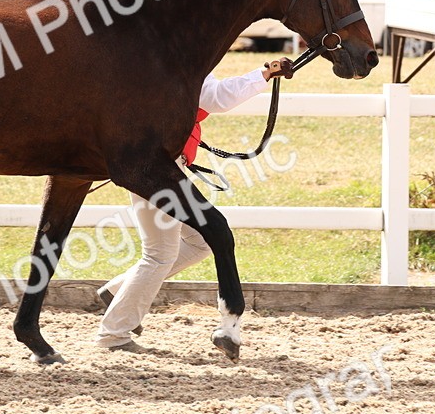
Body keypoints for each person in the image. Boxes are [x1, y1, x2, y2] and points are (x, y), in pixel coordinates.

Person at [95, 57, 294, 353]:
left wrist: (264, 74)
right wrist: (262, 75)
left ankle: (118, 293)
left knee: (199, 241)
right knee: (160, 253)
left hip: (163, 166)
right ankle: (114, 335)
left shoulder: (168, 52)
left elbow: (212, 95)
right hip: (155, 169)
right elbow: (217, 97)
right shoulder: (180, 57)